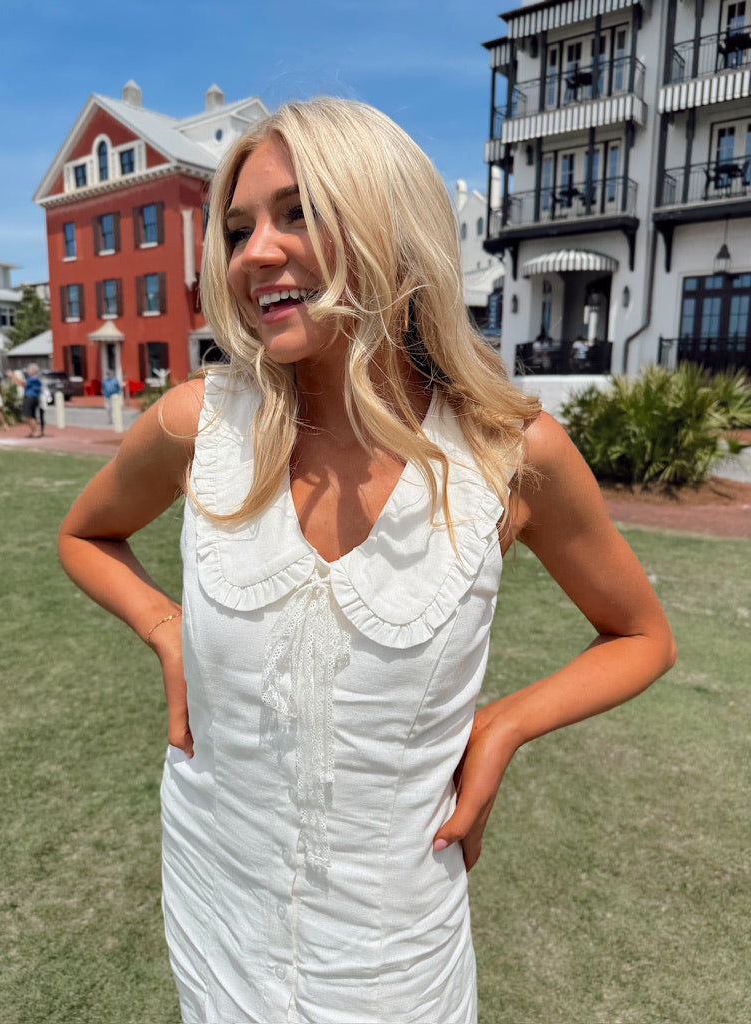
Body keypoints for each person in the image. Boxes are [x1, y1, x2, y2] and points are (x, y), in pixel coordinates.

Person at [58, 98, 675, 1024]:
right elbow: (83, 533)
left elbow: (641, 635)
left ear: (393, 225)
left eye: (298, 213)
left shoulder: (511, 454)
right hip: (213, 883)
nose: (255, 252)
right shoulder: (199, 423)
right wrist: (165, 627)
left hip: (392, 948)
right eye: (239, 229)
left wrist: (503, 725)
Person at [22, 363, 42, 438]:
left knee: (28, 415)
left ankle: (36, 431)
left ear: (33, 371)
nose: (27, 371)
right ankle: (34, 431)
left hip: (30, 397)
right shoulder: (34, 378)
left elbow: (21, 383)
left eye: (29, 369)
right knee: (31, 415)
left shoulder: (34, 379)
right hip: (32, 397)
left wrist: (12, 376)